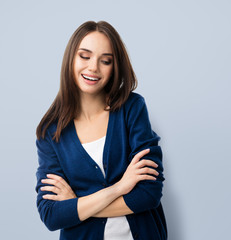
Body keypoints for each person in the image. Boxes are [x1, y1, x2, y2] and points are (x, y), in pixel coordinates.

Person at [35, 20, 167, 240]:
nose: (93, 67)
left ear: (114, 67)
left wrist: (76, 203)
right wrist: (120, 188)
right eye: (84, 56)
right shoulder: (51, 132)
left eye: (105, 61)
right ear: (71, 59)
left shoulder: (131, 109)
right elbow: (52, 215)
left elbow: (148, 193)